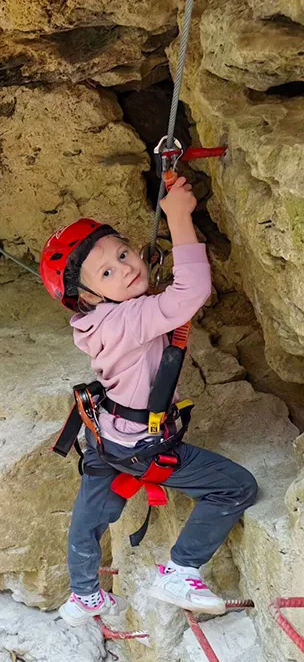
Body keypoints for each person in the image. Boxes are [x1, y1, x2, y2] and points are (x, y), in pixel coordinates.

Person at [39, 177, 258, 627]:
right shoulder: (129, 320)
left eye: (122, 253)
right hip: (142, 444)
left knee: (90, 514)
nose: (124, 268)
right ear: (89, 297)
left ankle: (84, 595)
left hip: (104, 435)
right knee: (235, 487)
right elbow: (190, 294)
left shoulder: (96, 320)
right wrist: (179, 217)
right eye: (106, 273)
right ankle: (181, 569)